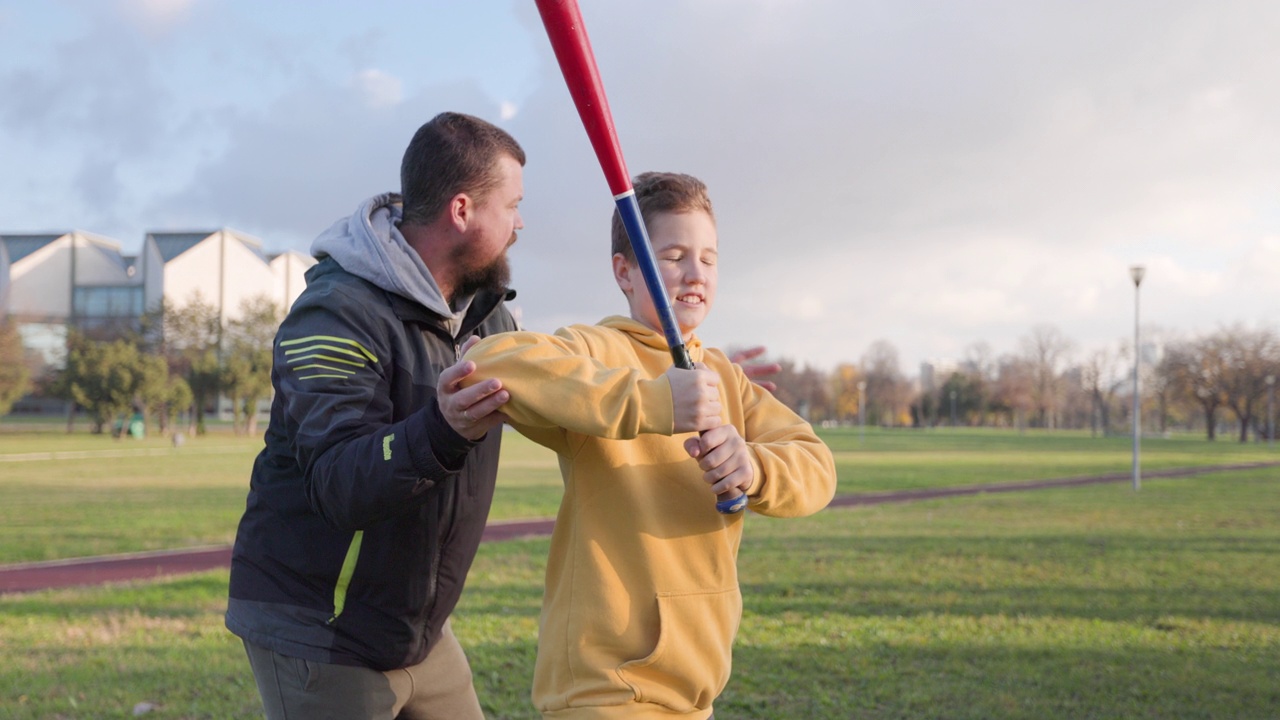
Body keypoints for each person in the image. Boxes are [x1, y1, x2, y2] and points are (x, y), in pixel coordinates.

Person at [460, 171, 838, 718]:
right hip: (607, 693)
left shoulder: (724, 379)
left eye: (709, 258)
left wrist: (753, 467)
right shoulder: (600, 350)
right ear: (626, 271)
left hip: (694, 691)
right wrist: (657, 402)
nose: (695, 272)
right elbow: (491, 363)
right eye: (674, 255)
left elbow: (816, 465)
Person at [225, 111, 526, 719]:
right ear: (462, 210)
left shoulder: (486, 313)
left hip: (415, 627)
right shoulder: (334, 314)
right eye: (513, 205)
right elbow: (337, 480)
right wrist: (442, 429)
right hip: (321, 629)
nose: (521, 224)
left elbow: (569, 391)